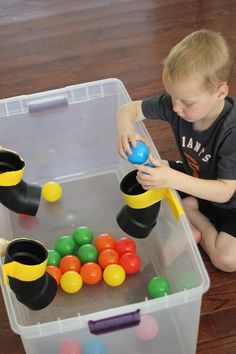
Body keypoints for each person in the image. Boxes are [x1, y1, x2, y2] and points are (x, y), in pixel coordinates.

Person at [116, 29, 236, 272]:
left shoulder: (231, 131)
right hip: (193, 178)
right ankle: (185, 222)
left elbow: (224, 192)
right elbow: (128, 109)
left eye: (186, 102)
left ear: (219, 92)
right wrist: (125, 129)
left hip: (231, 203)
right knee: (147, 175)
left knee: (227, 260)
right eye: (172, 96)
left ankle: (191, 217)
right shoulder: (178, 104)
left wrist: (172, 179)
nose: (175, 107)